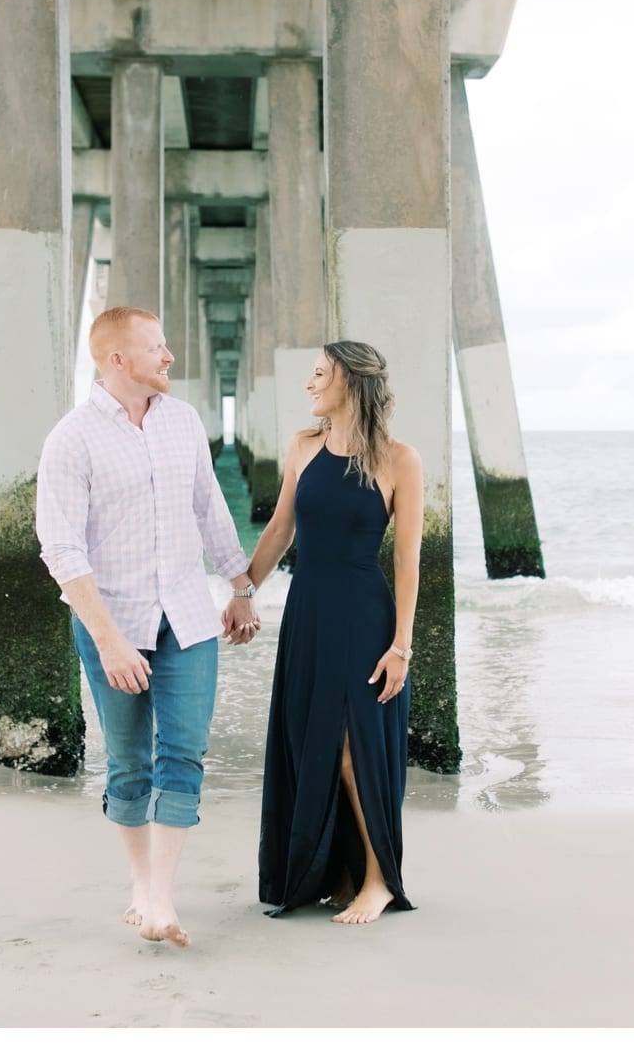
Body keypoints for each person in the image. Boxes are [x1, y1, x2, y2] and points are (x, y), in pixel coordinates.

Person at [36, 306, 261, 948]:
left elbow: (210, 508)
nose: (168, 358)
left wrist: (239, 586)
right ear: (118, 360)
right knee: (129, 761)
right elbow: (61, 549)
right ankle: (141, 885)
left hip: (188, 618)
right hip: (114, 622)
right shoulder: (72, 439)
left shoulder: (183, 421)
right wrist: (108, 639)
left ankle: (162, 897)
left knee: (183, 751)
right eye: (156, 347)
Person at [239, 340, 421, 924]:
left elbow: (408, 563)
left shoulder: (399, 460)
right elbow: (279, 532)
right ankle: (334, 873)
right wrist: (243, 590)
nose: (309, 384)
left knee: (351, 747)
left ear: (350, 382)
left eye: (319, 374)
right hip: (309, 613)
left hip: (365, 617)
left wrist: (401, 647)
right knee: (312, 741)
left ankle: (378, 880)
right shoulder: (302, 448)